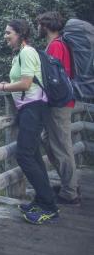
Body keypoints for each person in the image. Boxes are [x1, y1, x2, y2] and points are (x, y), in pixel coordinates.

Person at [0, 19, 59, 224]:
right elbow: (24, 81)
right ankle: (43, 199)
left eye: (8, 32)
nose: (5, 36)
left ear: (20, 33)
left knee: (24, 155)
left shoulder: (27, 52)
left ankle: (49, 207)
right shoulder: (20, 54)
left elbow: (26, 84)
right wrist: (7, 84)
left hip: (34, 109)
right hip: (30, 109)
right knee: (32, 155)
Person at [37, 11, 80, 205]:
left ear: (45, 26)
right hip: (63, 101)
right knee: (50, 140)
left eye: (39, 24)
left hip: (59, 104)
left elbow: (50, 79)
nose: (37, 27)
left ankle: (70, 192)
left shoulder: (55, 46)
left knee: (62, 146)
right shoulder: (60, 44)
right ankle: (68, 183)